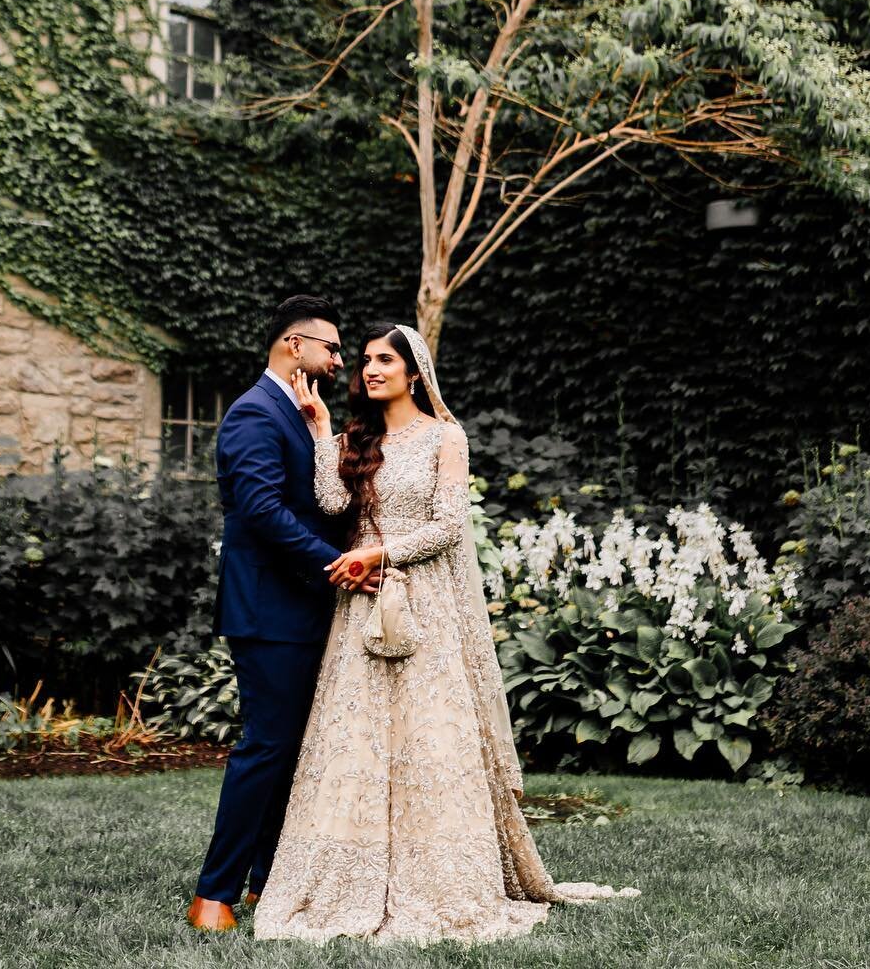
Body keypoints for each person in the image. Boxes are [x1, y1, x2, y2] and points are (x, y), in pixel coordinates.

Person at [252, 320, 641, 946]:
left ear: (415, 370)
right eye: (367, 361)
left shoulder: (445, 438)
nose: (372, 370)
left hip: (422, 602)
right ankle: (342, 878)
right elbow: (330, 505)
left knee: (429, 739)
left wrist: (378, 556)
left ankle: (440, 881)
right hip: (361, 604)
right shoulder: (358, 436)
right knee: (355, 738)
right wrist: (321, 429)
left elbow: (447, 529)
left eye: (386, 360)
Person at [187, 293, 377, 933]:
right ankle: (213, 893)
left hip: (298, 605)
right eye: (331, 347)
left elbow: (315, 497)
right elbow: (262, 512)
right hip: (269, 607)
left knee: (290, 750)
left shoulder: (296, 411)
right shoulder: (252, 413)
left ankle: (265, 882)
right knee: (266, 747)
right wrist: (337, 563)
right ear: (294, 344)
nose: (339, 358)